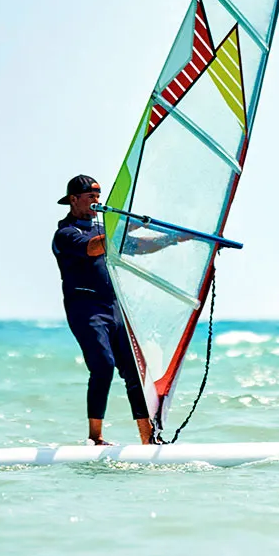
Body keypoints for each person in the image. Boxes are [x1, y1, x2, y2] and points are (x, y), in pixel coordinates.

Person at [51, 175, 178, 446]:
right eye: (91, 197)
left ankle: (148, 439)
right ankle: (95, 437)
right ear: (73, 199)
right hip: (86, 309)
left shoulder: (103, 228)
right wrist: (120, 227)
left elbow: (138, 247)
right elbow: (92, 248)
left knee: (134, 371)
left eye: (98, 196)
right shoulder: (66, 234)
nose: (97, 201)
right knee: (103, 366)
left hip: (113, 308)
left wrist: (172, 240)